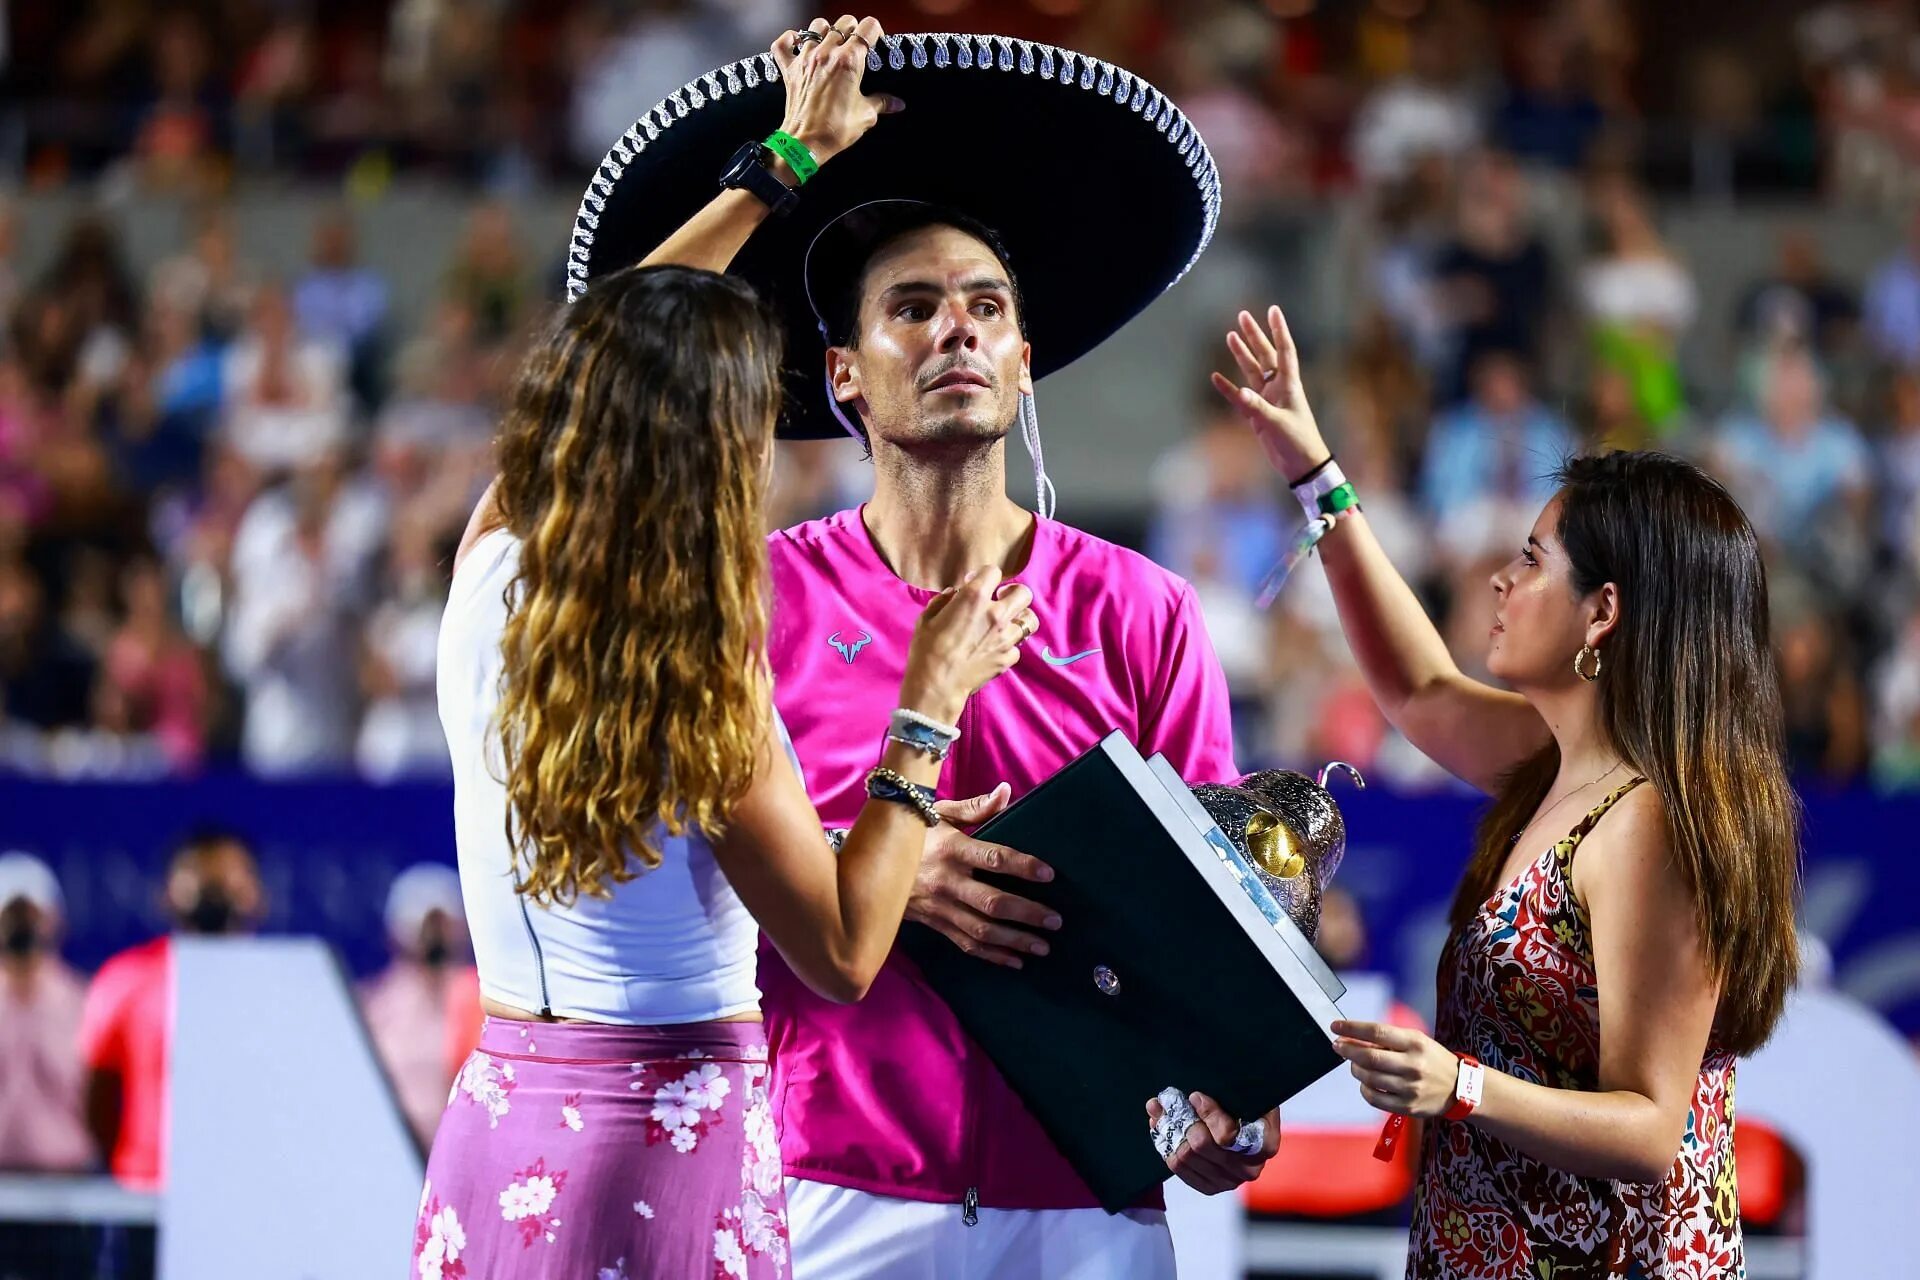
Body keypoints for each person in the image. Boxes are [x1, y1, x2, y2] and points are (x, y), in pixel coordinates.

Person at [603, 17, 1275, 1277]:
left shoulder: (1144, 609)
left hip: (1095, 1211)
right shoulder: (751, 597)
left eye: (986, 308)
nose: (956, 331)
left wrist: (1233, 1096)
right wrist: (868, 879)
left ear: (1026, 362)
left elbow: (1220, 909)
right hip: (826, 1195)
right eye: (912, 309)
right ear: (846, 376)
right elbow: (666, 898)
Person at [425, 260, 1030, 1280]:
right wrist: (927, 705)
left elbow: (592, 351)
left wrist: (778, 167)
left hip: (495, 1125)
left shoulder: (489, 562)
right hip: (659, 1145)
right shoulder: (696, 670)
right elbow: (840, 950)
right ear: (719, 447)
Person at [1213, 304, 1800, 1277]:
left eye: (1532, 559)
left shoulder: (1652, 821)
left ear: (1602, 613)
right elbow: (1415, 687)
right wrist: (1314, 471)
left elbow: (1651, 1128)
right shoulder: (1555, 757)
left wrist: (1459, 1085)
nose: (1499, 579)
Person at [81, 827, 266, 1192]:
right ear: (166, 893)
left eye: (230, 874)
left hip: (249, 1195)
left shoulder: (287, 988)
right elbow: (97, 1097)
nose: (214, 887)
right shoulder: (126, 981)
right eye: (199, 874)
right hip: (148, 1197)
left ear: (257, 894)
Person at [358, 862, 482, 1146]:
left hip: (460, 1151)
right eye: (426, 921)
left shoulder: (485, 1003)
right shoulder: (372, 1006)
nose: (435, 932)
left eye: (443, 921)